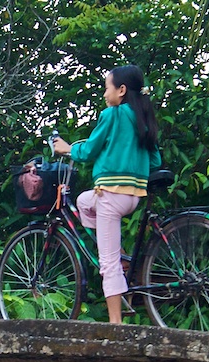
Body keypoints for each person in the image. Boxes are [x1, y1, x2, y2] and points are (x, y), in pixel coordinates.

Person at [52, 64, 161, 324]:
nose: (104, 94)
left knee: (107, 263)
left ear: (121, 90)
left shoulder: (112, 115)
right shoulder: (143, 116)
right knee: (82, 201)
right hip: (132, 196)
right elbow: (154, 160)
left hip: (111, 195)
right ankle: (119, 255)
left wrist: (68, 149)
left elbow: (89, 151)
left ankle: (116, 322)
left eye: (107, 88)